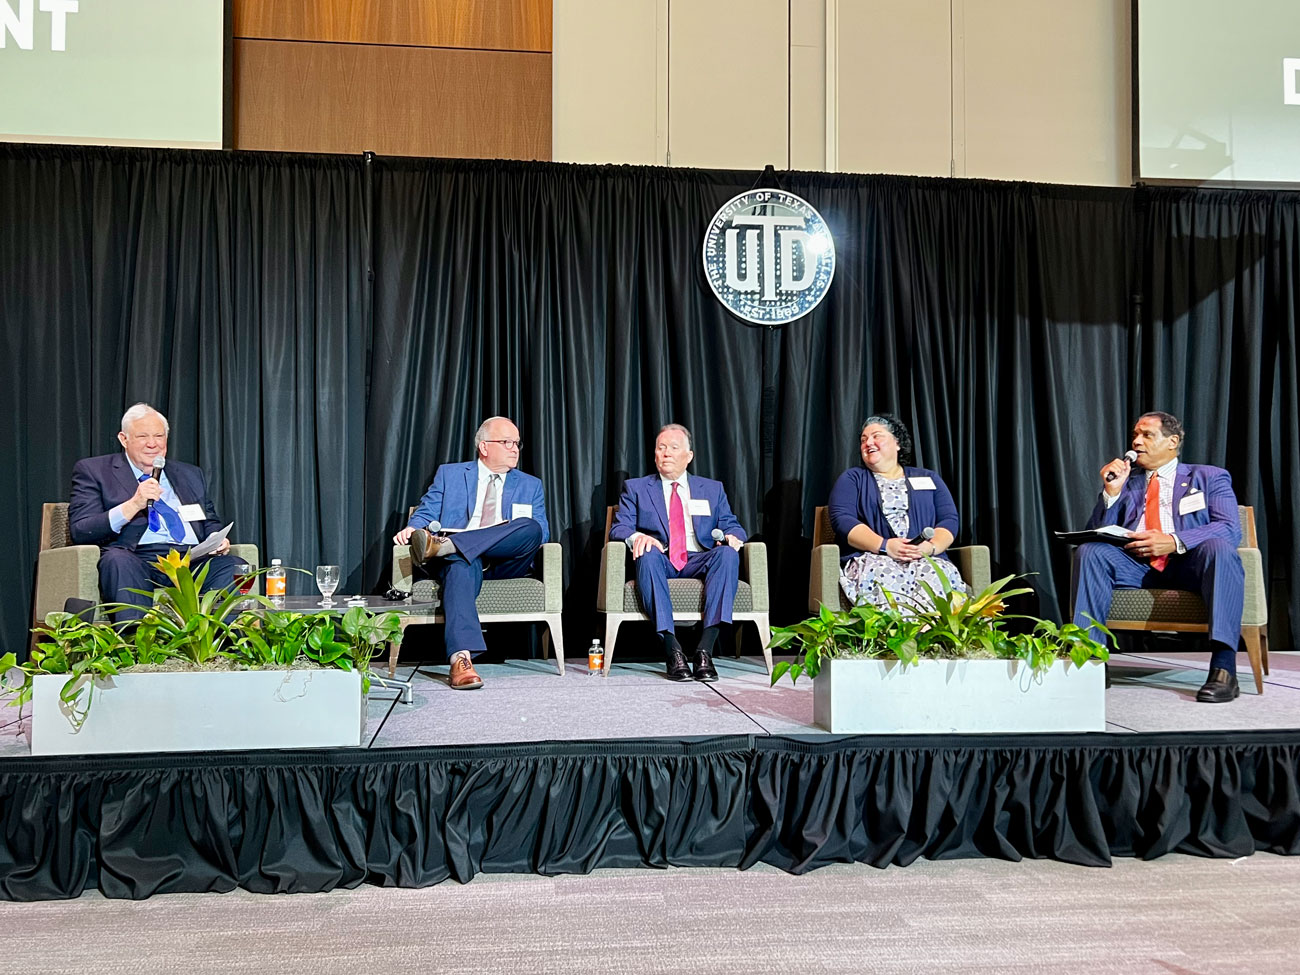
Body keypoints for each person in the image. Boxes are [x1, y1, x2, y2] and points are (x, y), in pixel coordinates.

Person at [1071, 411, 1245, 704]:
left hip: (1189, 563)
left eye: (1147, 435)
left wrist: (1173, 541)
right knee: (1091, 551)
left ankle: (1224, 669)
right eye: (1135, 435)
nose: (1136, 442)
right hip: (1134, 564)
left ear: (1172, 441)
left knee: (1220, 548)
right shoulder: (1128, 481)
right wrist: (1111, 494)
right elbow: (1095, 532)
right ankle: (1093, 661)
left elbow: (1228, 527)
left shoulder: (1208, 476)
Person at [393, 416, 547, 690]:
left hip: (506, 561)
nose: (515, 448)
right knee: (462, 563)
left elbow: (541, 534)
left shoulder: (530, 484)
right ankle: (461, 660)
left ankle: (453, 544)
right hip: (462, 563)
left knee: (531, 527)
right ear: (484, 447)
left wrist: (456, 542)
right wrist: (412, 528)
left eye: (517, 443)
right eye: (507, 442)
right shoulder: (450, 474)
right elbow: (426, 511)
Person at [68, 403, 238, 622]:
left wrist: (217, 538)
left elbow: (208, 519)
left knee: (232, 565)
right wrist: (134, 504)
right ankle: (136, 646)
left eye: (159, 436)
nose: (152, 444)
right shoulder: (94, 471)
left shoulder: (189, 474)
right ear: (124, 439)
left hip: (189, 558)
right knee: (117, 561)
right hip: (137, 556)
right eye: (142, 437)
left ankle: (218, 646)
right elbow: (81, 530)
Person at [608, 423, 746, 682]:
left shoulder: (712, 489)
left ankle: (705, 650)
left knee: (728, 555)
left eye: (673, 448)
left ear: (689, 456)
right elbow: (620, 527)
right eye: (661, 448)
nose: (666, 453)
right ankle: (672, 650)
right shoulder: (636, 488)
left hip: (699, 558)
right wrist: (638, 536)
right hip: (662, 558)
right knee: (647, 554)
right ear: (655, 455)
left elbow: (733, 524)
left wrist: (732, 537)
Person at [827, 413, 967, 610]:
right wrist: (885, 545)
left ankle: (930, 637)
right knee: (884, 575)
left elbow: (949, 520)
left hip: (925, 558)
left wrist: (930, 548)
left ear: (897, 443)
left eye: (877, 436)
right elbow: (842, 519)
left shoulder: (928, 478)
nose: (869, 443)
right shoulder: (853, 479)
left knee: (934, 574)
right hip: (875, 558)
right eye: (863, 439)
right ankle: (893, 639)